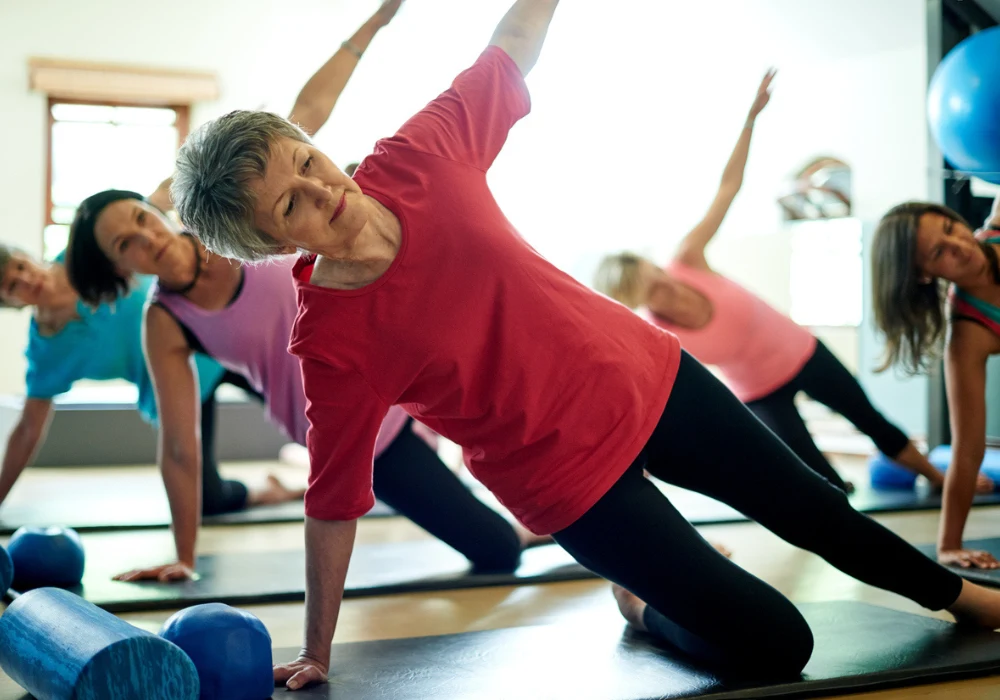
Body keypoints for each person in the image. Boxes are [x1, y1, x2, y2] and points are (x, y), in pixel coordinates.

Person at [171, 0, 1000, 687]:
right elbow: (334, 498)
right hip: (566, 481)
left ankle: (959, 599)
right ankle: (638, 602)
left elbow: (511, 49)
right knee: (778, 644)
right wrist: (317, 646)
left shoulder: (417, 156)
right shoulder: (332, 339)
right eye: (291, 207)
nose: (324, 189)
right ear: (271, 245)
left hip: (647, 378)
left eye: (306, 160)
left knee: (817, 508)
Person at [64, 0, 546, 584]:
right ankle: (536, 525)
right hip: (357, 425)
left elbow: (307, 112)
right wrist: (186, 555)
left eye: (141, 218)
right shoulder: (166, 320)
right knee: (496, 550)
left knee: (529, 437)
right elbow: (180, 447)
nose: (146, 239)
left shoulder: (242, 214)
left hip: (408, 355)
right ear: (121, 270)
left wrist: (377, 20)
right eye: (125, 246)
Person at [592, 72, 981, 498]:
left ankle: (940, 478)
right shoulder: (657, 332)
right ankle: (839, 497)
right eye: (651, 293)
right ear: (637, 299)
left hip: (803, 350)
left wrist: (750, 121)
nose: (665, 289)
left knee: (870, 420)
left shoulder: (687, 258)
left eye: (658, 278)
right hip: (759, 392)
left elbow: (728, 189)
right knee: (814, 480)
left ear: (653, 267)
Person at [0, 244, 299, 519]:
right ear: (9, 302)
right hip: (178, 386)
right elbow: (28, 429)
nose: (27, 279)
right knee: (205, 500)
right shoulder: (47, 350)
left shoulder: (83, 254)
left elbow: (140, 229)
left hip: (214, 338)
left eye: (21, 266)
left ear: (27, 256)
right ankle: (273, 491)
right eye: (13, 284)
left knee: (311, 414)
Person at [871, 193, 1000, 570]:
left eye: (951, 228)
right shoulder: (969, 335)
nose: (960, 246)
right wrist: (949, 545)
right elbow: (968, 448)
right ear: (924, 275)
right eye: (938, 252)